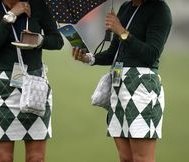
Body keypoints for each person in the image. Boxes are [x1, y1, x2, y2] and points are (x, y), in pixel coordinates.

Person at [72, 0, 172, 162]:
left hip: (142, 89)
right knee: (126, 158)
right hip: (118, 87)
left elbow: (151, 54)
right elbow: (114, 53)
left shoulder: (160, 10)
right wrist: (89, 58)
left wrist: (121, 31)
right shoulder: (125, 7)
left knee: (141, 158)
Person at [0, 0, 63, 162]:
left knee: (36, 158)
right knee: (3, 158)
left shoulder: (38, 5)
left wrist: (38, 40)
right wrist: (11, 16)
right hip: (2, 89)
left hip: (35, 86)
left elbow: (57, 41)